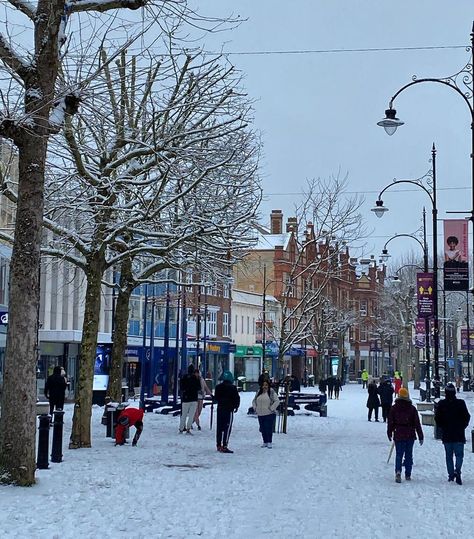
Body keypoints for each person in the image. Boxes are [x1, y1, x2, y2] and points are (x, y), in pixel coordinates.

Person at [434, 383, 471, 484]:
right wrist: (462, 426)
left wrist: (443, 426)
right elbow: (467, 416)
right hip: (459, 434)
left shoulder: (442, 404)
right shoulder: (460, 403)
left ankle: (451, 475)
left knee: (448, 456)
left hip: (447, 434)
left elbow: (437, 418)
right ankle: (457, 470)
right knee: (459, 455)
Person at [387, 387, 424, 483]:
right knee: (408, 455)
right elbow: (417, 423)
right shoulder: (412, 409)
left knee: (399, 454)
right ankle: (408, 474)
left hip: (398, 432)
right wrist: (420, 435)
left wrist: (389, 432)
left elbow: (390, 422)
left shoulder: (394, 408)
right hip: (410, 433)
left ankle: (398, 471)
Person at [214, 370, 240, 453]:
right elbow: (236, 398)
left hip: (220, 409)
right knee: (227, 427)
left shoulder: (218, 387)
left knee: (219, 426)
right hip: (229, 410)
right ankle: (225, 445)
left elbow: (216, 398)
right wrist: (236, 406)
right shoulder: (233, 388)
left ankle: (218, 444)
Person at [252, 380, 280, 448]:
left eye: (266, 385)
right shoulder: (259, 392)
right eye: (263, 385)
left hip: (269, 414)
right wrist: (255, 408)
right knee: (263, 428)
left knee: (268, 428)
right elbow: (254, 400)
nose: (264, 386)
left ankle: (269, 441)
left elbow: (277, 401)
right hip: (260, 414)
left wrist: (271, 408)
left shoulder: (271, 392)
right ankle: (265, 441)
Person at [179, 364, 201, 434]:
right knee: (191, 415)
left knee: (184, 414)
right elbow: (199, 388)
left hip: (185, 398)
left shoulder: (184, 377)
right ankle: (188, 428)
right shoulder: (196, 378)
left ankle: (181, 428)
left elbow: (181, 387)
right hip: (194, 399)